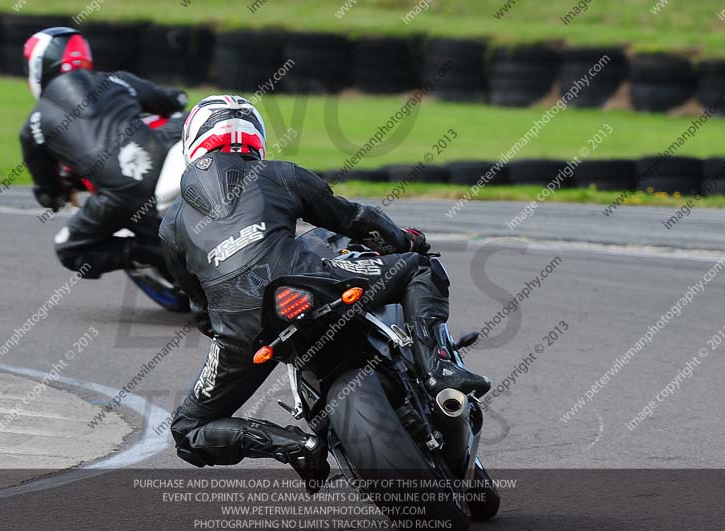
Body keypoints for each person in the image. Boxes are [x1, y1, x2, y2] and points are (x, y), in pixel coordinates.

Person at [159, 95, 491, 492]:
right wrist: (405, 240)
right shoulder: (280, 173)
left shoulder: (172, 221)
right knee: (419, 267)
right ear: (255, 140)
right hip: (310, 283)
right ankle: (439, 372)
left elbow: (199, 309)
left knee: (187, 428)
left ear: (193, 142)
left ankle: (294, 444)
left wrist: (234, 339)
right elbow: (356, 220)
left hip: (243, 330)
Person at [19, 27, 189, 279]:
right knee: (190, 120)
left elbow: (48, 196)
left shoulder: (33, 126)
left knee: (69, 250)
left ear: (38, 67)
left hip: (121, 195)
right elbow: (173, 101)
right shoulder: (116, 80)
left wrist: (57, 195)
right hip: (168, 150)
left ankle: (153, 251)